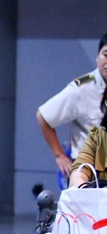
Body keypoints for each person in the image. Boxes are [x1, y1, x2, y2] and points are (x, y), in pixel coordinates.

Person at [37, 34, 107, 186]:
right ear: (97, 57)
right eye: (106, 55)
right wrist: (60, 156)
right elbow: (43, 116)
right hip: (88, 171)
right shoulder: (81, 88)